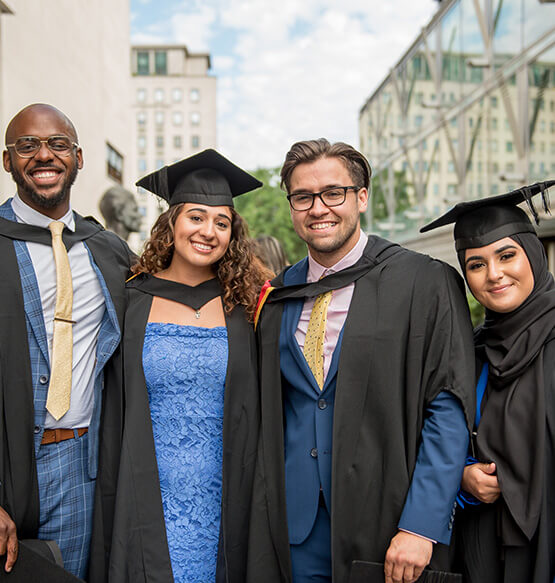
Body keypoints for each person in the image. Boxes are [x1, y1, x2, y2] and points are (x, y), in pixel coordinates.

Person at [248, 138, 475, 583]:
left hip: (388, 524)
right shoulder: (276, 296)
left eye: (334, 193)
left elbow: (447, 409)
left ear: (362, 197)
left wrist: (421, 525)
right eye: (303, 197)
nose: (319, 208)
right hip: (295, 531)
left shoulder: (424, 283)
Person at [96, 149, 270, 582]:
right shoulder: (130, 300)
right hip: (147, 493)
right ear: (171, 221)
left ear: (233, 233)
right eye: (196, 217)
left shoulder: (247, 308)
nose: (208, 231)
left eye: (221, 222)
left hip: (228, 493)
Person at [0, 103, 132, 579]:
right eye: (27, 145)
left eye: (57, 144)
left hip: (78, 463)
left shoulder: (107, 250)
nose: (43, 155)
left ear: (77, 157)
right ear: (7, 160)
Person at [420, 181, 555, 583]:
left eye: (506, 255)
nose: (493, 275)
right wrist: (461, 476)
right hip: (482, 550)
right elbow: (442, 436)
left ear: (532, 254)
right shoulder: (470, 352)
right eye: (476, 265)